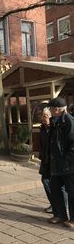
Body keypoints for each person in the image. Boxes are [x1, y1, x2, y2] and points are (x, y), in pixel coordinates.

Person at [47, 97, 74, 229]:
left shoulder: (69, 121)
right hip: (57, 164)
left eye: (51, 108)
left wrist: (66, 161)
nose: (49, 110)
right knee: (55, 188)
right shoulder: (56, 121)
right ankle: (60, 215)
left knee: (72, 191)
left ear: (57, 109)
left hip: (69, 165)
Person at [38, 107, 53, 213]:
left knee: (58, 185)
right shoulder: (42, 128)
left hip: (55, 160)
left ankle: (57, 205)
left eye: (45, 116)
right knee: (45, 181)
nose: (43, 118)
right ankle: (54, 204)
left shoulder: (55, 128)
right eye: (42, 116)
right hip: (46, 160)